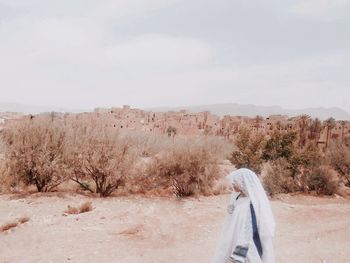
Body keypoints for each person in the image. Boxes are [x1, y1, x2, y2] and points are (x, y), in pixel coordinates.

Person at [212, 168, 276, 263]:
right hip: (234, 237)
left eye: (235, 182)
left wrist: (239, 252)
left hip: (246, 244)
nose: (233, 184)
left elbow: (250, 229)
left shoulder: (251, 203)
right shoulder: (238, 197)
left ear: (243, 183)